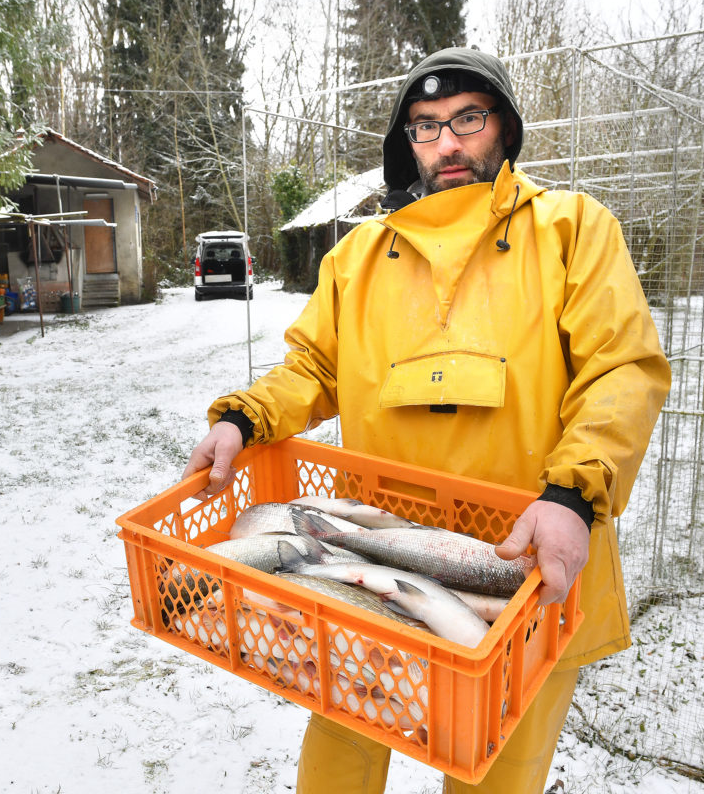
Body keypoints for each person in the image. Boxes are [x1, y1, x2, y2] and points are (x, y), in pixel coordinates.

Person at [182, 46, 671, 794]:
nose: (446, 143)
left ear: (503, 127)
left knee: (494, 764)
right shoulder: (358, 258)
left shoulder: (573, 230)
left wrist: (573, 496)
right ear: (404, 143)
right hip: (379, 552)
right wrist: (243, 421)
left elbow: (622, 371)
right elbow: (311, 368)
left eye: (466, 119)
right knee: (343, 740)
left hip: (524, 570)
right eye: (424, 126)